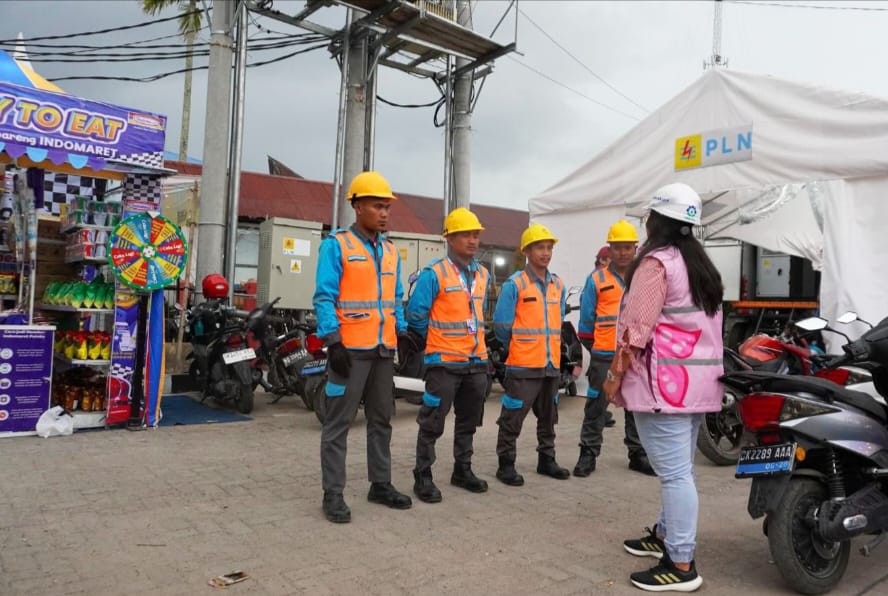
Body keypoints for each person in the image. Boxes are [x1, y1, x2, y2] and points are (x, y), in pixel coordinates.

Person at [602, 183, 724, 592]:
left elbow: (636, 329)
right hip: (694, 387)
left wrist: (614, 377)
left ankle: (681, 563)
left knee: (674, 476)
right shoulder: (700, 266)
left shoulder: (656, 264)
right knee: (680, 471)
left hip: (663, 388)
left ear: (657, 221)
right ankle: (664, 535)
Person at [313, 171, 413, 524]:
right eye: (377, 206)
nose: (384, 213)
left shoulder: (389, 250)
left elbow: (395, 297)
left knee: (382, 420)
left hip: (383, 351)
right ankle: (333, 492)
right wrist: (333, 340)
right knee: (339, 422)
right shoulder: (337, 245)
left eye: (387, 207)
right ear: (357, 207)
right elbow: (324, 296)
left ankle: (380, 483)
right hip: (349, 352)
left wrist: (401, 331)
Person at [406, 207, 491, 503]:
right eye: (465, 235)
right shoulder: (435, 273)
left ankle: (462, 469)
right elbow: (416, 315)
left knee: (469, 420)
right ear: (449, 239)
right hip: (443, 363)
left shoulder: (483, 275)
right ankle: (423, 474)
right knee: (432, 421)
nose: (472, 240)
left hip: (475, 362)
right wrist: (436, 343)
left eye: (475, 235)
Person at [493, 223, 571, 486]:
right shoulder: (515, 284)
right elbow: (502, 327)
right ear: (527, 250)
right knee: (512, 417)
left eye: (549, 247)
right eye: (540, 247)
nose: (546, 252)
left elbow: (558, 319)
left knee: (549, 418)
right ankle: (505, 464)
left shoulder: (558, 284)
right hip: (524, 365)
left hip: (550, 365)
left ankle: (546, 459)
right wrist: (522, 347)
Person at [574, 221, 653, 477]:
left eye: (627, 247)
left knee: (635, 406)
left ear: (635, 249)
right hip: (604, 356)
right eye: (617, 247)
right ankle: (588, 453)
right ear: (609, 249)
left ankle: (637, 453)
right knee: (596, 406)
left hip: (635, 356)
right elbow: (586, 324)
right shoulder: (596, 280)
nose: (622, 253)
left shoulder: (643, 279)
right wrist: (598, 351)